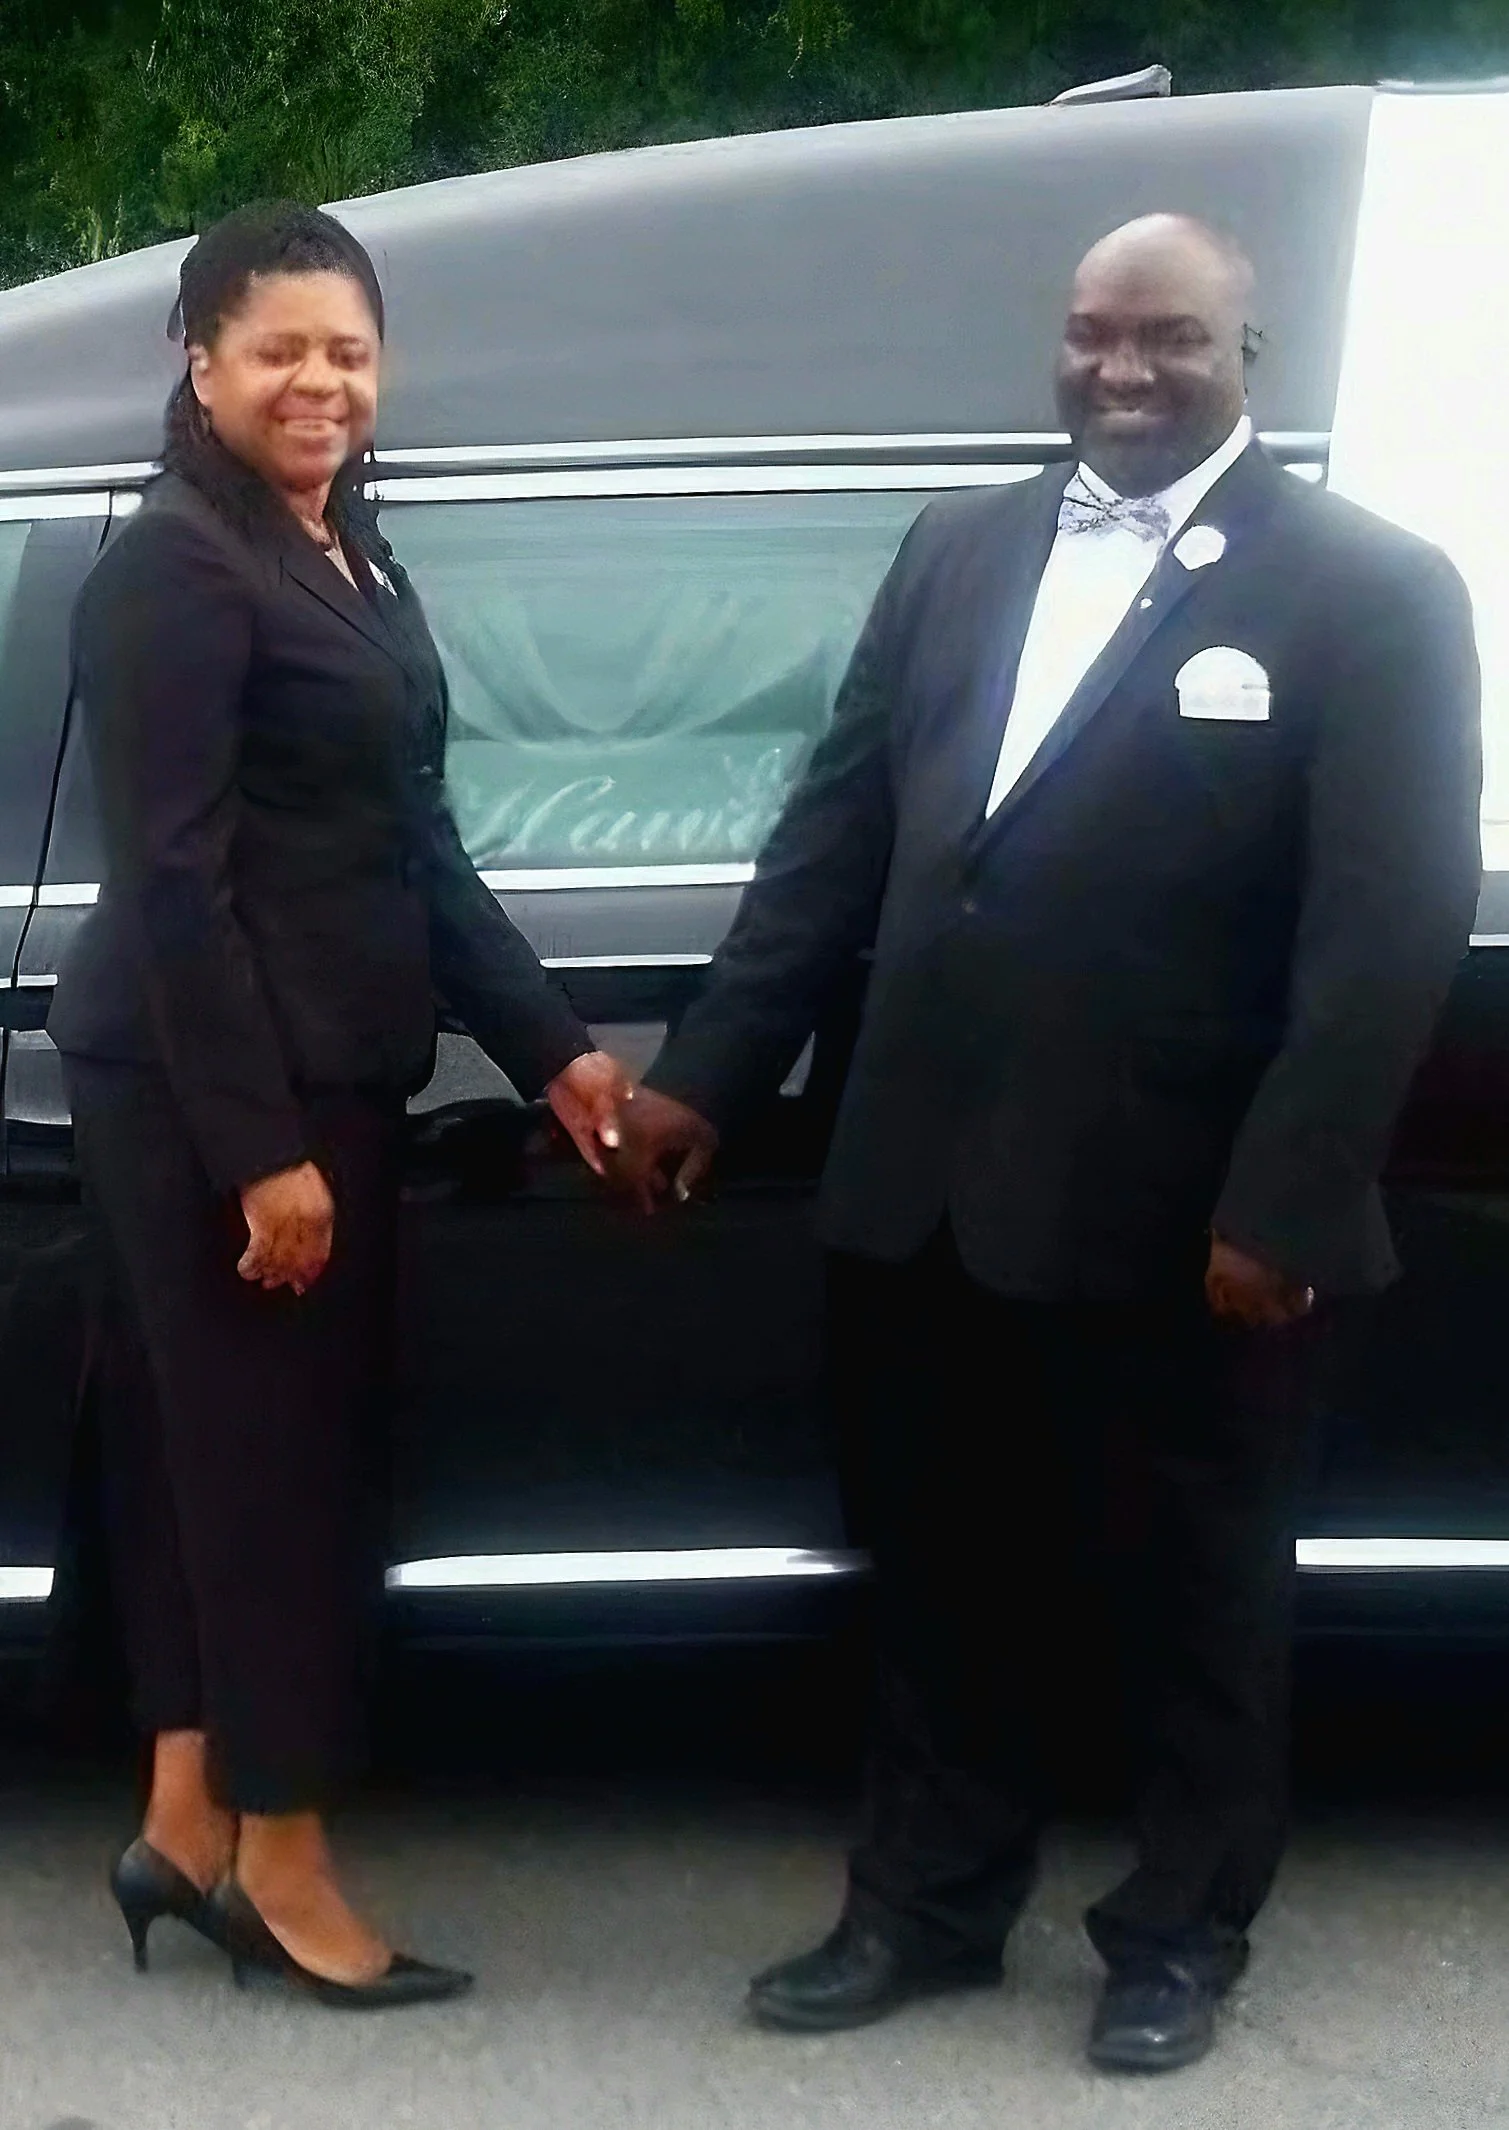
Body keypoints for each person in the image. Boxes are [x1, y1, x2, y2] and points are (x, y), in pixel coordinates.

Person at [612, 214, 1482, 2071]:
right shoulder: (960, 547)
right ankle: (926, 1906)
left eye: (1167, 338)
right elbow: (836, 839)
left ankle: (1179, 1934)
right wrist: (705, 1071)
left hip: (1193, 1218)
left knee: (1198, 1592)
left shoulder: (1371, 587)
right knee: (939, 1576)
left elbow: (1388, 927)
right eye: (1092, 336)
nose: (1121, 372)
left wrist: (1291, 1193)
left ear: (1252, 350)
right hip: (924, 1182)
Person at [48, 202, 630, 2008]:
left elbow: (418, 850)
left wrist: (554, 1047)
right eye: (282, 347)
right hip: (225, 1093)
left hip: (296, 1074)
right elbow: (171, 880)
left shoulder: (347, 557)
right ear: (199, 362)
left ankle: (184, 1813)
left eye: (352, 351)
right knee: (282, 1484)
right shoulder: (172, 569)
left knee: (202, 1464)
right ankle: (285, 1861)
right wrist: (263, 1153)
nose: (324, 381)